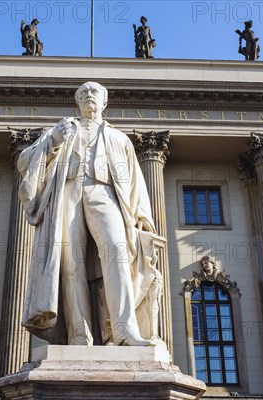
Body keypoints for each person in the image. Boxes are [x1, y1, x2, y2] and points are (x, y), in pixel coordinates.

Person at [18, 82, 163, 346]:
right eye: (82, 93)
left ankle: (124, 330)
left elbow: (135, 182)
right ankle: (78, 334)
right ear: (77, 102)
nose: (88, 96)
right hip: (68, 192)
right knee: (71, 264)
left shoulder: (120, 139)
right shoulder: (62, 129)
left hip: (104, 194)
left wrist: (143, 218)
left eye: (94, 92)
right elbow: (24, 161)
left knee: (117, 254)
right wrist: (53, 141)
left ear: (105, 102)